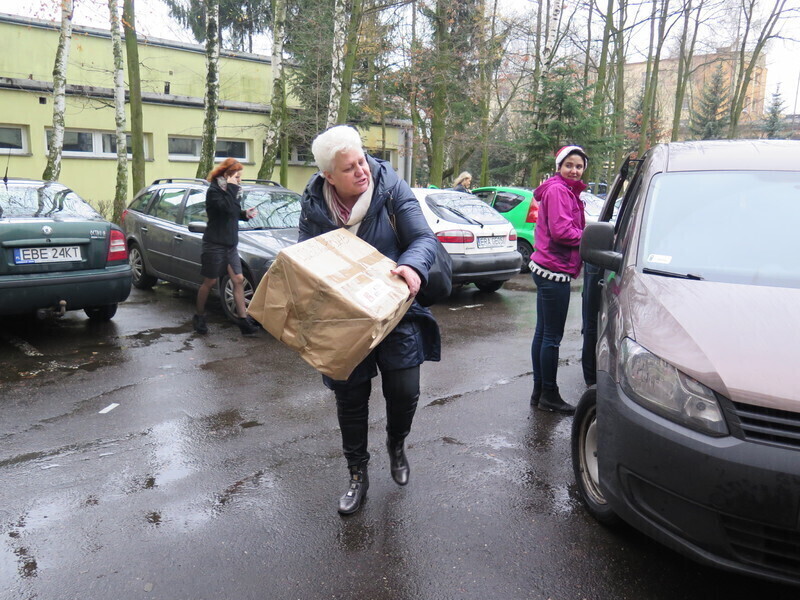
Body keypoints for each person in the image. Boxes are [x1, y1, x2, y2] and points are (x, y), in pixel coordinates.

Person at [299, 125, 441, 515]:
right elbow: (307, 256)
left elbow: (423, 239)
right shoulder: (314, 205)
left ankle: (397, 443)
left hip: (397, 310)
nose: (361, 170)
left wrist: (412, 267)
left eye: (362, 160)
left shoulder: (391, 189)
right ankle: (357, 475)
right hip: (345, 319)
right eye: (349, 168)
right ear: (329, 176)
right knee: (351, 399)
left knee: (404, 389)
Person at [529, 145, 589, 414]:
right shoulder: (557, 190)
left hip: (548, 267)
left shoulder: (564, 190)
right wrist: (588, 238)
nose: (574, 170)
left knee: (543, 333)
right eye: (569, 165)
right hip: (554, 268)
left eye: (579, 166)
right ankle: (549, 395)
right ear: (559, 167)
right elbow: (562, 231)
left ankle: (539, 391)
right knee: (551, 337)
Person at [193, 157, 260, 336]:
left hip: (230, 244)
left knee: (238, 279)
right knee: (210, 281)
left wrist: (245, 214)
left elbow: (233, 212)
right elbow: (226, 209)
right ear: (228, 175)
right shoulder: (214, 191)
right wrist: (232, 188)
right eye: (237, 177)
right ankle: (199, 316)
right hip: (214, 244)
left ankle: (243, 321)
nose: (240, 181)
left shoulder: (231, 191)